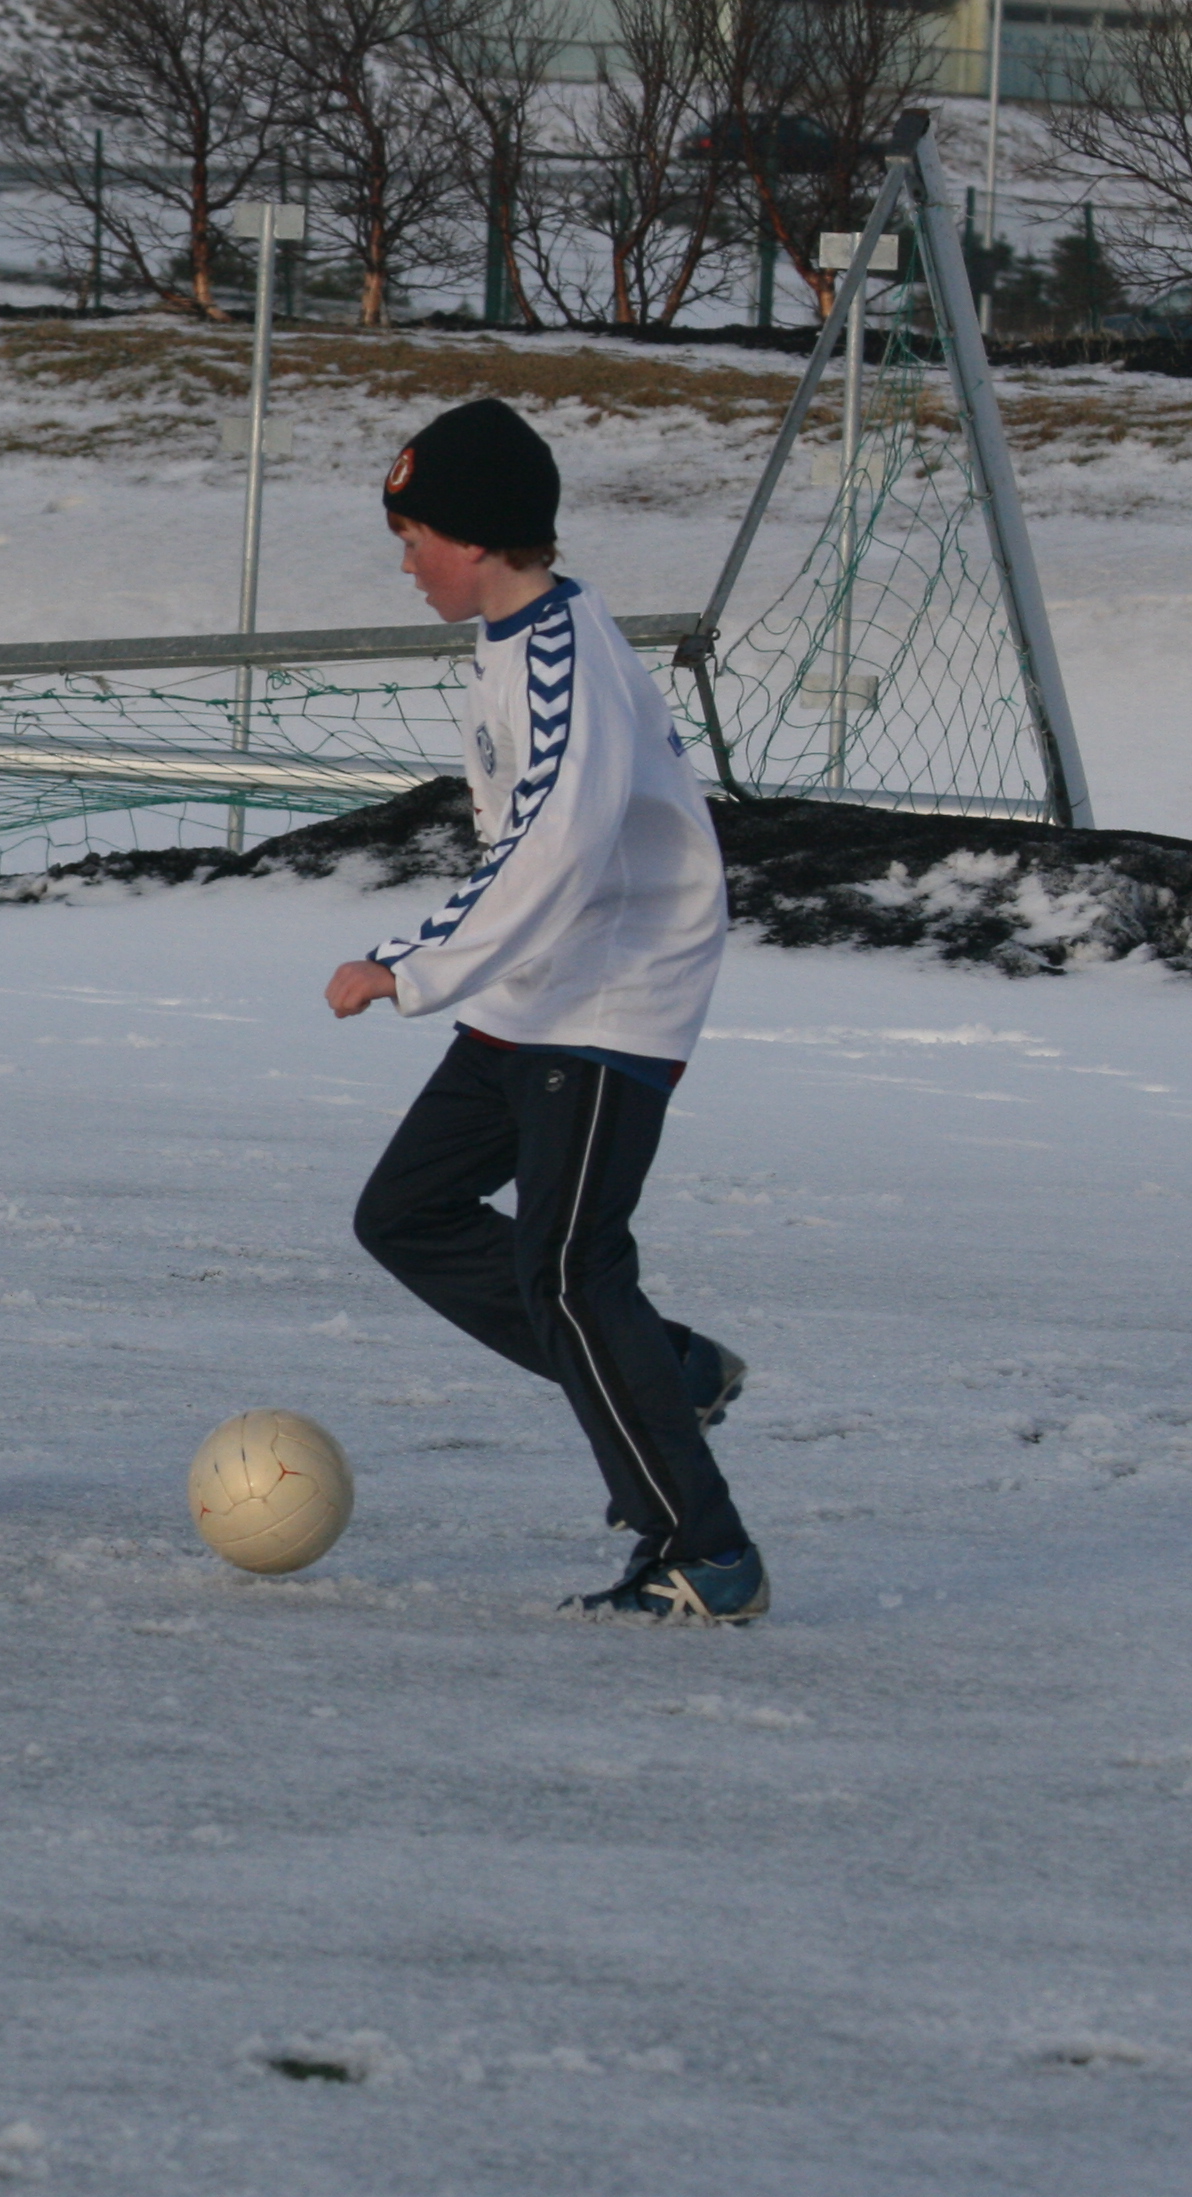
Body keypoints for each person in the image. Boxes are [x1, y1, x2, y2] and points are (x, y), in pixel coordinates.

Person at [327, 398, 766, 1621]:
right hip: (540, 989)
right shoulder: (512, 643)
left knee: (570, 1268)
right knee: (407, 1213)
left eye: (414, 536)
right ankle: (665, 1372)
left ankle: (705, 1552)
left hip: (615, 993)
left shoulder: (567, 658)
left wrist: (408, 962)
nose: (406, 561)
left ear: (474, 537)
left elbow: (551, 845)